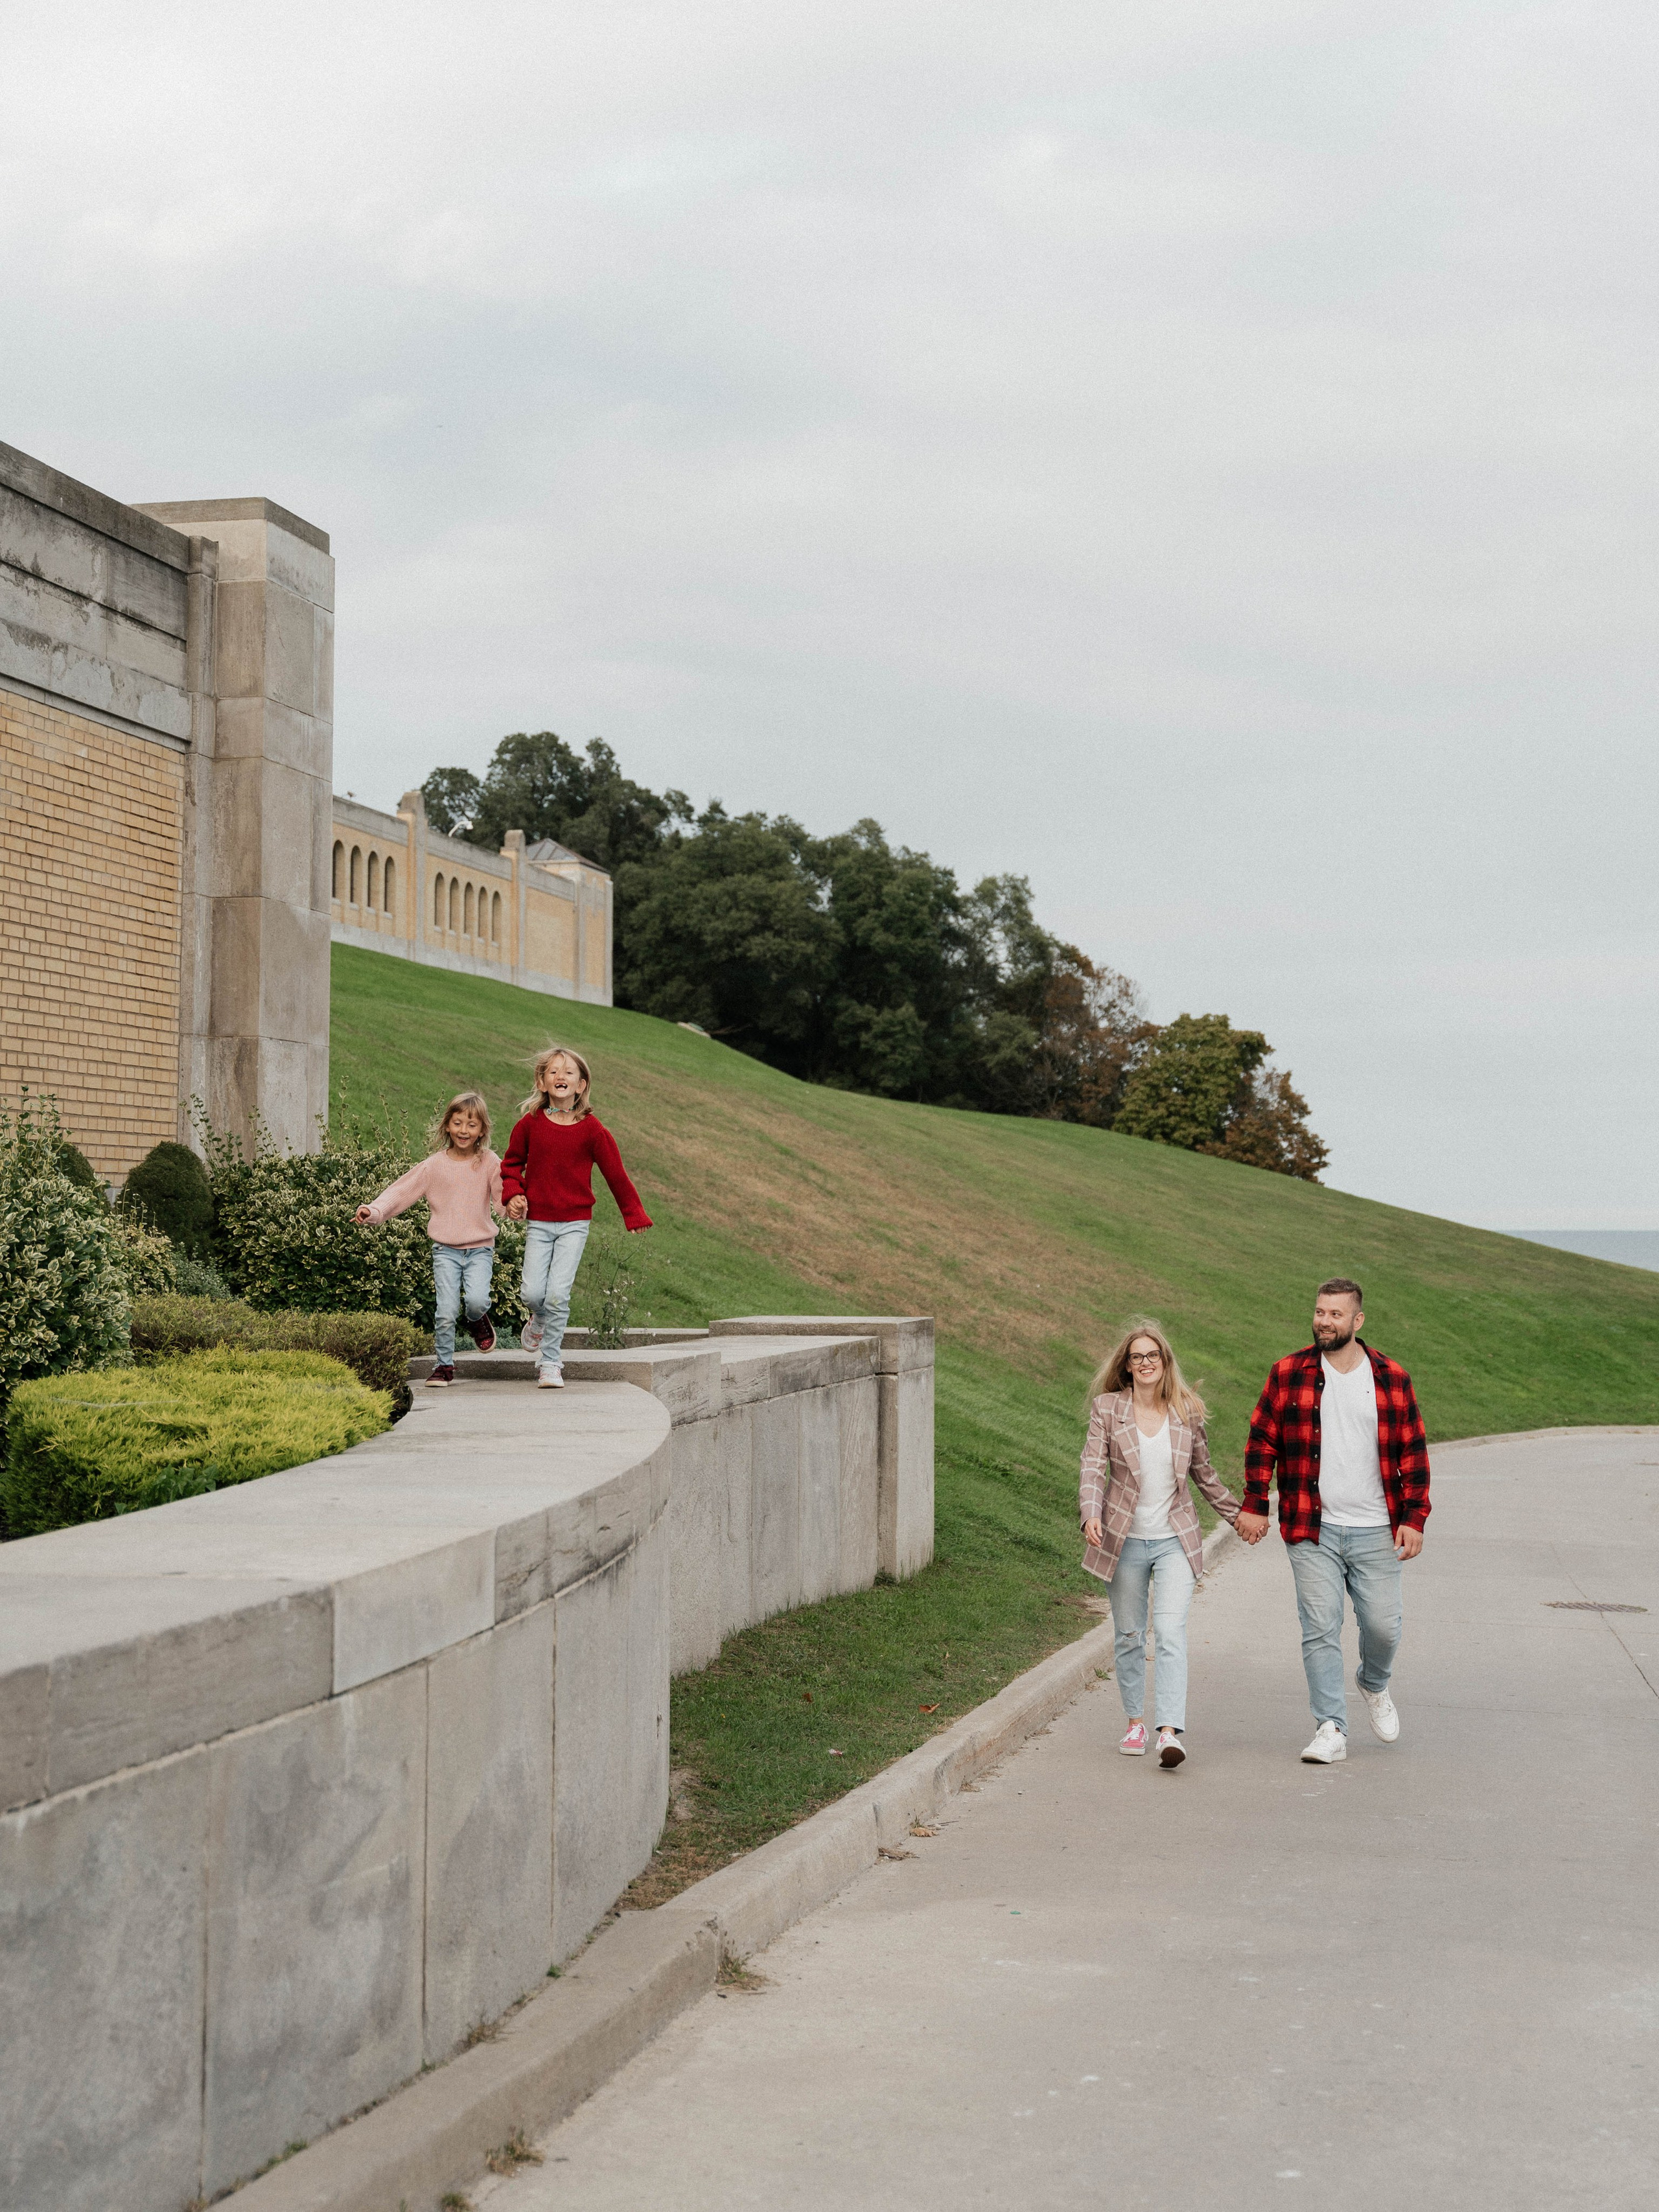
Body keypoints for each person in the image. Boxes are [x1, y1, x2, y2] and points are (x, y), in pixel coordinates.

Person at [1235, 1277, 1431, 1764]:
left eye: (1335, 1314)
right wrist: (1256, 1501)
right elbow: (1263, 1440)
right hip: (1311, 1527)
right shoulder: (1288, 1373)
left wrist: (1415, 1516)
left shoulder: (1391, 1377)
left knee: (1384, 1627)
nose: (1324, 1320)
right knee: (1320, 1626)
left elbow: (1414, 1451)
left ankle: (1374, 1682)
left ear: (1357, 1320)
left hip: (1376, 1529)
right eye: (1320, 1312)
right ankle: (1330, 1727)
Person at [1079, 1318, 1242, 1767]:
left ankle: (1169, 1732)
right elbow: (1093, 1467)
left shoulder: (1186, 1412)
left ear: (1165, 1361)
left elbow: (1205, 1475)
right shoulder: (1108, 1408)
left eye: (1153, 1355)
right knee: (1130, 1634)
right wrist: (1090, 1512)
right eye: (1137, 1357)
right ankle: (1135, 1721)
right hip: (1124, 1540)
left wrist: (1241, 1517)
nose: (1146, 1362)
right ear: (1127, 1366)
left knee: (1169, 1632)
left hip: (1175, 1540)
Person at [501, 1045, 652, 1390]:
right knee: (532, 1294)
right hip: (539, 1221)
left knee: (558, 1295)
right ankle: (537, 1319)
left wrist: (633, 1213)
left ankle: (551, 1362)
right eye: (553, 1071)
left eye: (569, 1072)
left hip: (574, 1224)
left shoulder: (592, 1130)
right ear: (542, 1081)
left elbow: (616, 1174)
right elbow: (510, 1166)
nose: (561, 1077)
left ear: (582, 1085)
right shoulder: (530, 1124)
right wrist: (514, 1194)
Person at [355, 1091, 503, 1388]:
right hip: (445, 1251)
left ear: (482, 1130)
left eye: (471, 1125)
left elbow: (503, 1201)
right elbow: (402, 1191)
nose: (464, 1130)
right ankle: (444, 1366)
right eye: (458, 1123)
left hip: (480, 1250)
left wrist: (518, 1206)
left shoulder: (489, 1162)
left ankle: (477, 1320)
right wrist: (373, 1211)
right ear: (447, 1125)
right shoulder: (434, 1165)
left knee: (476, 1301)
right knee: (446, 1311)